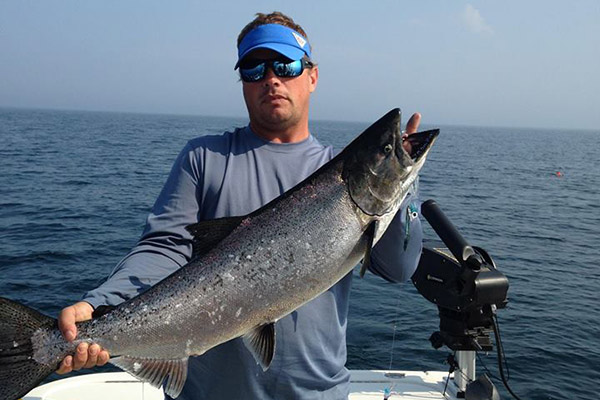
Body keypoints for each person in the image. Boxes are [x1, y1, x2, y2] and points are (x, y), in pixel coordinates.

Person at [55, 11, 424, 399]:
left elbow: (399, 267)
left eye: (286, 65)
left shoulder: (337, 170)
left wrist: (402, 182)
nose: (271, 79)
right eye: (254, 69)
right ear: (243, 83)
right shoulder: (204, 158)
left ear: (312, 76)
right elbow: (163, 248)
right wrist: (100, 305)